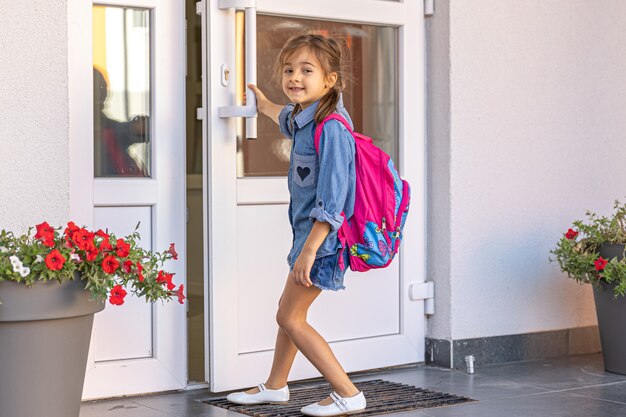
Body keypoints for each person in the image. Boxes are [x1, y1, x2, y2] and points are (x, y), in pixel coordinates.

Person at [225, 33, 367, 416]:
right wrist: (262, 102)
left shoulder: (332, 128)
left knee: (289, 317)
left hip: (322, 244)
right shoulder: (306, 117)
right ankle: (275, 386)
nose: (295, 77)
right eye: (289, 70)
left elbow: (333, 203)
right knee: (289, 312)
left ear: (330, 80)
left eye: (307, 70)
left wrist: (309, 251)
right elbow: (282, 116)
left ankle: (347, 393)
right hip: (308, 240)